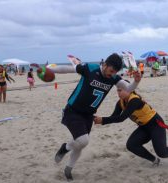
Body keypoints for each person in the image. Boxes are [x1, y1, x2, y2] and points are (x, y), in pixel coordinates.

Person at [54, 53, 141, 181]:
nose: (112, 74)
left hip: (88, 115)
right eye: (111, 70)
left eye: (115, 72)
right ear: (105, 65)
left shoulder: (113, 78)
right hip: (73, 111)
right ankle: (65, 148)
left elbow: (128, 88)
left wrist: (136, 81)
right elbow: (68, 69)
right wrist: (48, 70)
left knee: (80, 144)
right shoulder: (90, 69)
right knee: (83, 140)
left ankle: (68, 168)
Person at [94, 86, 168, 166]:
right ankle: (154, 160)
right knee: (131, 145)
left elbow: (121, 118)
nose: (118, 93)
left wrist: (102, 120)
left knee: (162, 152)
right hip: (144, 127)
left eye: (121, 90)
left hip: (156, 125)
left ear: (129, 90)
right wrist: (96, 118)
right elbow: (114, 117)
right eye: (117, 90)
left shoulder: (134, 101)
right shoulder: (120, 103)